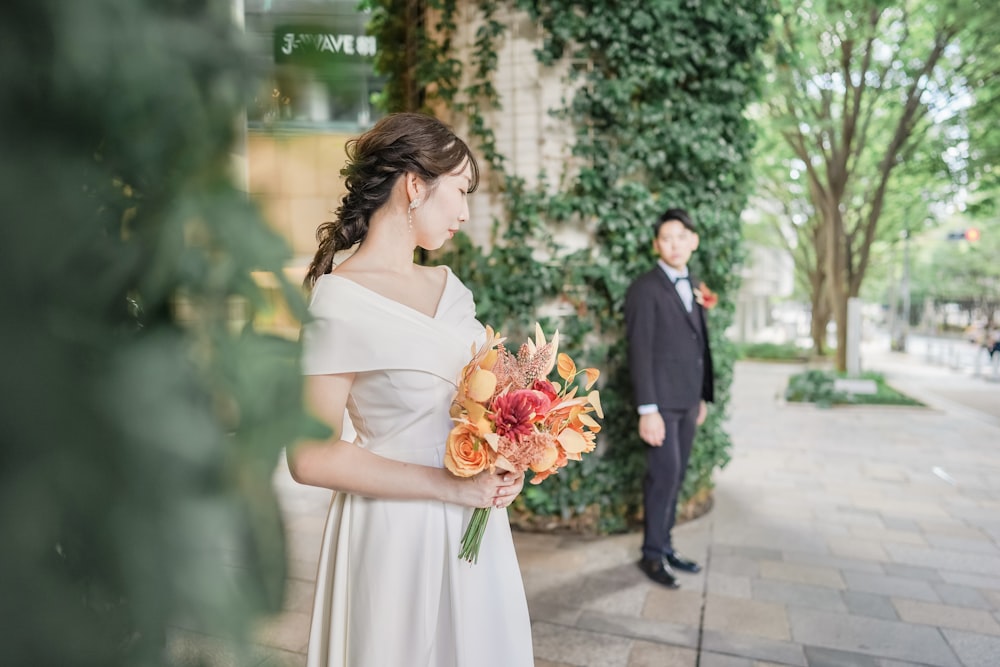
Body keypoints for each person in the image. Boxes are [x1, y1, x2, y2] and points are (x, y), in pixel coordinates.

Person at [289, 112, 534, 667]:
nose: (466, 212)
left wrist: (505, 461)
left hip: (475, 524)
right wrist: (448, 488)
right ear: (415, 184)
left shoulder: (452, 288)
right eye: (461, 191)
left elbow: (476, 402)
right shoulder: (339, 301)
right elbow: (308, 456)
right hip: (396, 529)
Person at [624, 207, 715, 589]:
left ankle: (666, 544)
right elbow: (639, 351)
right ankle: (652, 555)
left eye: (681, 237)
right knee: (663, 477)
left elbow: (697, 346)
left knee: (676, 476)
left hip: (688, 400)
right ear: (655, 245)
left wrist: (702, 397)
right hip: (660, 404)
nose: (674, 244)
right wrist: (648, 410)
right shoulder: (645, 289)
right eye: (666, 238)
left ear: (693, 241)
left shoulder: (692, 283)